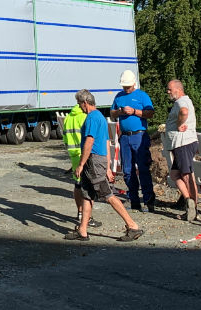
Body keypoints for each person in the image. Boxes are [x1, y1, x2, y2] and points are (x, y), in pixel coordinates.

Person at [68, 90, 144, 242]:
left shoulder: (91, 118)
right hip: (99, 160)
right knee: (87, 194)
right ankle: (83, 231)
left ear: (84, 103)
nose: (79, 107)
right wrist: (108, 166)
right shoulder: (101, 118)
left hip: (93, 162)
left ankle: (132, 225)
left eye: (79, 103)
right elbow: (106, 141)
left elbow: (89, 141)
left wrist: (81, 164)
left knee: (107, 195)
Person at [110, 69, 155, 211]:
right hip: (125, 137)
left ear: (134, 83)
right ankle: (133, 198)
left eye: (128, 86)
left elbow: (150, 113)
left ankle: (148, 200)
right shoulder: (119, 96)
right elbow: (112, 114)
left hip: (139, 135)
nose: (126, 89)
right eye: (124, 86)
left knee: (143, 168)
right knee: (128, 170)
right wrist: (119, 112)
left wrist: (135, 111)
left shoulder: (142, 96)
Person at [62, 91, 100, 229]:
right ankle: (87, 217)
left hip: (73, 154)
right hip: (83, 154)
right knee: (87, 187)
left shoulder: (68, 118)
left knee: (77, 184)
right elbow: (89, 138)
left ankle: (79, 212)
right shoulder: (84, 117)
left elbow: (65, 138)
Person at [164, 79, 199, 221]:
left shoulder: (181, 102)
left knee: (187, 175)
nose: (168, 92)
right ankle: (188, 201)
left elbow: (184, 112)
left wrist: (179, 124)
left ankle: (194, 210)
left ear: (177, 90)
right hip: (179, 144)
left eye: (169, 90)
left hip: (184, 143)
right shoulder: (180, 102)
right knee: (174, 175)